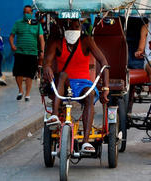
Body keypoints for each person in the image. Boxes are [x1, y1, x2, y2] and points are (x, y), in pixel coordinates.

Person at [43, 19, 109, 152]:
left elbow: (103, 61)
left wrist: (106, 88)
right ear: (64, 29)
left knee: (90, 95)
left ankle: (85, 141)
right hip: (65, 83)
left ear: (80, 28)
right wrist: (47, 68)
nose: (73, 30)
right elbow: (47, 62)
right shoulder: (57, 42)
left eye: (76, 27)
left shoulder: (86, 41)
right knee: (62, 75)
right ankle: (55, 115)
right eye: (70, 27)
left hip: (84, 83)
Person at [9, 5, 45, 101]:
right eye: (25, 12)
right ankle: (20, 90)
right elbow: (11, 36)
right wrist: (12, 45)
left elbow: (41, 38)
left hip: (32, 53)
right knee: (18, 73)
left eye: (28, 12)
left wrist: (42, 51)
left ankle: (27, 94)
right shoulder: (18, 23)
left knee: (29, 74)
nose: (26, 14)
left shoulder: (36, 23)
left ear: (31, 13)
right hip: (20, 52)